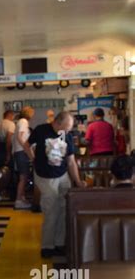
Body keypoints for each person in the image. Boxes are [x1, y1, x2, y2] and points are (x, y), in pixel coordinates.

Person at [23, 111, 86, 258]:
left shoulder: (67, 136)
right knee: (51, 210)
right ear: (57, 123)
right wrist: (33, 159)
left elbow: (71, 161)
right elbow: (26, 144)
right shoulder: (41, 130)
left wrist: (77, 181)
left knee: (64, 209)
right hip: (44, 176)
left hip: (63, 175)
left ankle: (59, 243)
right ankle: (47, 246)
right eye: (66, 127)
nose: (69, 131)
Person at [12, 106, 35, 209]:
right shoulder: (23, 121)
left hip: (20, 151)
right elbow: (20, 137)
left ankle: (22, 198)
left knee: (24, 176)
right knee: (23, 177)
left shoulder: (21, 121)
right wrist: (27, 149)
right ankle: (18, 200)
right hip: (21, 151)